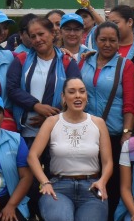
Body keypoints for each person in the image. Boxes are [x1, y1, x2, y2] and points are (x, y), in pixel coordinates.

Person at [30, 79, 114, 221]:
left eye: (82, 91)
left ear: (86, 96)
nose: (78, 96)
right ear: (63, 97)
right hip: (59, 186)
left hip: (91, 188)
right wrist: (45, 182)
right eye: (72, 91)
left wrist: (102, 181)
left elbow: (108, 162)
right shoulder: (52, 122)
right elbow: (33, 156)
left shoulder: (98, 123)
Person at [5, 15, 81, 147]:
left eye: (41, 34)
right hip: (26, 133)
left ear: (52, 33)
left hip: (59, 132)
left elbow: (75, 93)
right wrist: (36, 106)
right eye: (33, 36)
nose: (37, 39)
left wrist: (51, 117)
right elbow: (12, 89)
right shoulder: (21, 60)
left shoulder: (67, 62)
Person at [79, 22, 134, 149]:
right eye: (103, 40)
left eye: (112, 40)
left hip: (113, 134)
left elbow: (129, 103)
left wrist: (127, 132)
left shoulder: (125, 66)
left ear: (118, 42)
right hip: (85, 132)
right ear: (96, 40)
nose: (107, 44)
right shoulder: (84, 61)